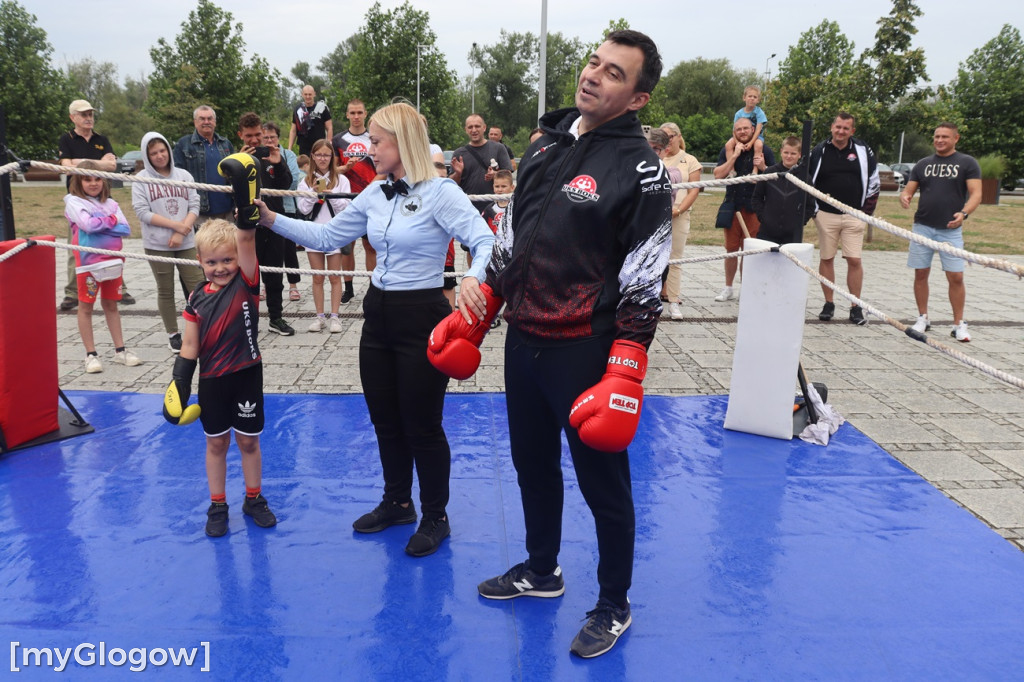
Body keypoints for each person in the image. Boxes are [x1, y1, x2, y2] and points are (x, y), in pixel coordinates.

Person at [429, 30, 671, 658]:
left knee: (603, 484)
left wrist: (626, 369)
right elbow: (510, 244)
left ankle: (614, 604)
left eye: (614, 73)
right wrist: (478, 307)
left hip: (584, 350)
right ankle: (542, 569)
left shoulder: (644, 172)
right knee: (531, 465)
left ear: (638, 98)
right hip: (525, 340)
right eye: (594, 62)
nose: (594, 76)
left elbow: (645, 278)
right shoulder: (544, 150)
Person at [253, 102, 495, 558]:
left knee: (422, 424)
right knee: (385, 419)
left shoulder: (442, 191)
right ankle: (398, 501)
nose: (368, 152)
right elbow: (327, 238)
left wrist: (470, 277)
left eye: (378, 143)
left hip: (421, 313)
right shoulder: (375, 192)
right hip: (378, 312)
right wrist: (270, 218)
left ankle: (436, 515)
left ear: (402, 144)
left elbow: (485, 240)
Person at [166, 206, 277, 537]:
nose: (220, 268)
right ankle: (217, 504)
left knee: (248, 442)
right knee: (216, 444)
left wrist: (246, 202)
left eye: (227, 260)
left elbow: (246, 239)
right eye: (211, 262)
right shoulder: (196, 298)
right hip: (212, 380)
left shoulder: (246, 283)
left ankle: (254, 498)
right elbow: (189, 345)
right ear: (199, 260)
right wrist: (180, 383)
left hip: (246, 376)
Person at [899, 122, 982, 342]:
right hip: (922, 227)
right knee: (920, 273)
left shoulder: (967, 163)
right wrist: (905, 197)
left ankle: (958, 324)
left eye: (945, 137)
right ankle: (923, 318)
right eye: (937, 136)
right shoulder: (923, 164)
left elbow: (976, 194)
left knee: (955, 276)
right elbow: (908, 190)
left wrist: (963, 214)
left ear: (956, 138)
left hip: (950, 230)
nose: (940, 140)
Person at [64, 160, 142, 374]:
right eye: (87, 179)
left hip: (114, 263)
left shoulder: (112, 203)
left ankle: (120, 350)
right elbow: (86, 225)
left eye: (97, 178)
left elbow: (125, 228)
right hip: (88, 266)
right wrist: (111, 222)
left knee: (111, 305)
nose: (93, 183)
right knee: (86, 307)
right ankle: (91, 355)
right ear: (79, 180)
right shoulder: (73, 201)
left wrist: (101, 222)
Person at [58, 99, 135, 310]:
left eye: (90, 114)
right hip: (79, 202)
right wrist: (97, 164)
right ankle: (73, 293)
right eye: (83, 114)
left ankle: (121, 287)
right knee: (76, 246)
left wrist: (80, 163)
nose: (88, 118)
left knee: (111, 242)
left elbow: (112, 165)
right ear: (73, 117)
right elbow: (66, 167)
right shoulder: (67, 139)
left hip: (102, 199)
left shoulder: (102, 139)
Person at [131, 132, 205, 353]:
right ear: (147, 155)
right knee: (165, 290)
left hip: (186, 242)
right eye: (153, 153)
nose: (159, 156)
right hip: (157, 244)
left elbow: (194, 204)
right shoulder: (141, 179)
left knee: (197, 286)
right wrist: (175, 227)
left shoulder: (184, 175)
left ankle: (203, 327)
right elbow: (142, 212)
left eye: (162, 150)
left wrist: (183, 231)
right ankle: (173, 334)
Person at [809, 112, 880, 325]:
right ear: (832, 127)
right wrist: (814, 211)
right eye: (837, 127)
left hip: (854, 215)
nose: (841, 131)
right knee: (826, 258)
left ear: (852, 131)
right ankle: (828, 303)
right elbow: (807, 180)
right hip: (825, 214)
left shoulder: (862, 150)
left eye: (845, 128)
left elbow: (873, 180)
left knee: (854, 259)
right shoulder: (819, 150)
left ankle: (855, 305)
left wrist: (865, 213)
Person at [237, 112, 295, 336]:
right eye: (249, 136)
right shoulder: (236, 157)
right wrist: (239, 162)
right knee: (248, 276)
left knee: (274, 273)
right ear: (241, 135)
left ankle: (276, 317)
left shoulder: (273, 154)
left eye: (258, 135)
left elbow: (286, 184)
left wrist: (278, 164)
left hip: (274, 221)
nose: (254, 140)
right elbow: (226, 185)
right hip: (248, 226)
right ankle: (248, 320)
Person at [713, 117, 775, 301]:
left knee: (750, 250)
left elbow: (774, 175)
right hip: (732, 205)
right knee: (731, 249)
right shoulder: (728, 149)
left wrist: (763, 166)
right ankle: (728, 287)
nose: (742, 132)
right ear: (734, 131)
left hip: (754, 207)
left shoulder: (764, 149)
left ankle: (746, 287)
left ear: (753, 129)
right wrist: (733, 156)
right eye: (738, 129)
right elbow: (718, 175)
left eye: (746, 128)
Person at [297, 139, 352, 333]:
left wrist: (330, 195)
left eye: (326, 155)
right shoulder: (305, 181)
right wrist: (314, 194)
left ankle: (335, 316)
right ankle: (319, 316)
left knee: (335, 277)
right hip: (313, 232)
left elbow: (346, 208)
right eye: (319, 155)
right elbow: (302, 209)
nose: (322, 159)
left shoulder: (341, 180)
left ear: (332, 158)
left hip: (334, 231)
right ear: (312, 156)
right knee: (317, 277)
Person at [332, 98, 379, 303]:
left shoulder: (374, 138)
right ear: (347, 115)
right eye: (352, 113)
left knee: (371, 246)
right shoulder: (338, 140)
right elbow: (332, 171)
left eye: (360, 112)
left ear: (366, 113)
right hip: (346, 199)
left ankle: (372, 286)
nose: (356, 116)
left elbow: (383, 167)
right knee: (347, 246)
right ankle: (348, 287)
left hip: (371, 199)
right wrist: (345, 169)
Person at [659, 122, 702, 319]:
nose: (667, 140)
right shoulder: (654, 156)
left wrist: (679, 209)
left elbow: (694, 189)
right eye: (663, 136)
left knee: (675, 259)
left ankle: (674, 301)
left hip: (679, 215)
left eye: (670, 136)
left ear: (678, 137)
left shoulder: (690, 160)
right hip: (655, 216)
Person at [173, 105, 236, 229]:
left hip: (227, 212)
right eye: (202, 119)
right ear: (195, 122)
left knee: (227, 248)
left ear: (215, 122)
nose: (206, 122)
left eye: (210, 118)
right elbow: (177, 178)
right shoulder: (183, 144)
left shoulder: (226, 144)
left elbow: (234, 175)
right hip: (199, 213)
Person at [263, 122, 303, 302]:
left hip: (287, 206)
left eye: (272, 137)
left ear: (278, 138)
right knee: (265, 250)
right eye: (266, 137)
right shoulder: (259, 154)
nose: (269, 140)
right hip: (265, 207)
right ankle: (265, 285)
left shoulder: (288, 154)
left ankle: (293, 285)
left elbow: (293, 181)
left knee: (289, 249)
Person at [752, 135, 814, 245]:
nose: (789, 156)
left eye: (793, 153)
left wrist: (799, 223)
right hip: (767, 232)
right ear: (781, 152)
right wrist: (764, 218)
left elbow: (810, 205)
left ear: (799, 155)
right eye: (786, 152)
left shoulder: (805, 178)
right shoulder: (769, 172)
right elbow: (757, 198)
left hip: (792, 235)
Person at [449, 114, 512, 212]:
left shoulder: (498, 148)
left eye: (477, 126)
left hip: (494, 208)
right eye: (470, 127)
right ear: (466, 129)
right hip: (467, 207)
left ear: (484, 128)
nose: (474, 130)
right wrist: (457, 173)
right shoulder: (459, 153)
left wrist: (495, 175)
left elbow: (508, 175)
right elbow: (451, 184)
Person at [287, 85, 333, 156]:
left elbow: (329, 127)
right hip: (304, 148)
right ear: (302, 94)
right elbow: (293, 130)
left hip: (319, 146)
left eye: (310, 94)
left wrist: (328, 144)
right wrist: (289, 148)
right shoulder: (298, 109)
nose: (308, 97)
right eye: (305, 94)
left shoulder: (322, 108)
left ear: (314, 94)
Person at [724, 85, 767, 160]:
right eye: (750, 96)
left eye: (755, 97)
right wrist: (737, 142)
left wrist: (751, 143)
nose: (752, 99)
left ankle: (755, 169)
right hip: (740, 136)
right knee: (728, 145)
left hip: (756, 137)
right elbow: (734, 130)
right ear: (744, 98)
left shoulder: (760, 113)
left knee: (758, 145)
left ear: (758, 100)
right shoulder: (738, 114)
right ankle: (731, 169)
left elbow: (758, 130)